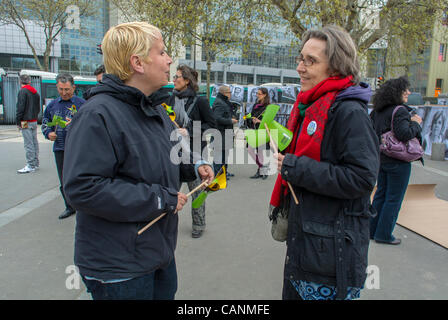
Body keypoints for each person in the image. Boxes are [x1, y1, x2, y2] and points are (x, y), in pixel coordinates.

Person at [62, 22, 214, 300]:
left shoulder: (155, 108)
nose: (169, 60)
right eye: (162, 52)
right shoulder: (97, 115)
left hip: (157, 253)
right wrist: (159, 199)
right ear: (137, 63)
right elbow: (83, 189)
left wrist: (194, 166)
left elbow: (170, 154)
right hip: (119, 266)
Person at [270, 25, 379, 300]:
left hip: (332, 255)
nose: (300, 67)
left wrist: (295, 167)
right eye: (300, 58)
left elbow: (362, 178)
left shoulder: (349, 111)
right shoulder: (309, 105)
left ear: (336, 68)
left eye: (311, 61)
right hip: (307, 243)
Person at [370, 77, 423, 245]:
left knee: (380, 195)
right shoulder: (399, 111)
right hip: (398, 161)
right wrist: (416, 124)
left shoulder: (377, 111)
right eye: (405, 90)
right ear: (396, 92)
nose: (408, 92)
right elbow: (404, 134)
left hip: (382, 159)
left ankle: (373, 230)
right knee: (394, 199)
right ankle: (384, 234)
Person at [167, 64, 216, 239]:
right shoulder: (170, 99)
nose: (174, 80)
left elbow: (212, 125)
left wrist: (189, 131)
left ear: (186, 81)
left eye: (177, 77)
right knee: (171, 191)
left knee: (197, 193)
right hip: (174, 153)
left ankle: (199, 224)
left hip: (196, 154)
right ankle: (165, 224)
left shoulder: (200, 101)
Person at [41, 73, 85, 219]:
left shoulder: (81, 104)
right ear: (57, 87)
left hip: (79, 149)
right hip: (60, 148)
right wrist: (48, 133)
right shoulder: (52, 106)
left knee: (81, 178)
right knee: (64, 180)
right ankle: (69, 206)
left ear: (74, 87)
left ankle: (84, 207)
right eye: (61, 89)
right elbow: (45, 122)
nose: (64, 93)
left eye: (67, 89)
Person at [16, 74, 41, 174]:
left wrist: (18, 122)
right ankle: (35, 163)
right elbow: (38, 108)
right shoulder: (35, 93)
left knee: (28, 143)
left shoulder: (23, 91)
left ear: (20, 82)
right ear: (30, 81)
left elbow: (20, 108)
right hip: (34, 120)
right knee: (34, 142)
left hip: (25, 121)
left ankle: (30, 165)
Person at [212, 85, 238, 177]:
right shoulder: (220, 103)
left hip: (225, 133)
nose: (231, 94)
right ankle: (218, 175)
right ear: (225, 93)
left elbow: (225, 114)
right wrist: (230, 121)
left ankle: (224, 173)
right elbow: (216, 118)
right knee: (219, 156)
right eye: (229, 92)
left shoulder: (224, 102)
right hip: (220, 134)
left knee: (225, 155)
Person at [247, 87, 270, 180]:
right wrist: (251, 118)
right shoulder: (256, 104)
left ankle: (261, 171)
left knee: (260, 151)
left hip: (261, 131)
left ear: (264, 95)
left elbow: (269, 121)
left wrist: (259, 121)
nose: (257, 95)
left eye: (259, 94)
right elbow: (252, 115)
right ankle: (262, 168)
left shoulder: (268, 107)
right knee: (250, 150)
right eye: (257, 93)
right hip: (253, 130)